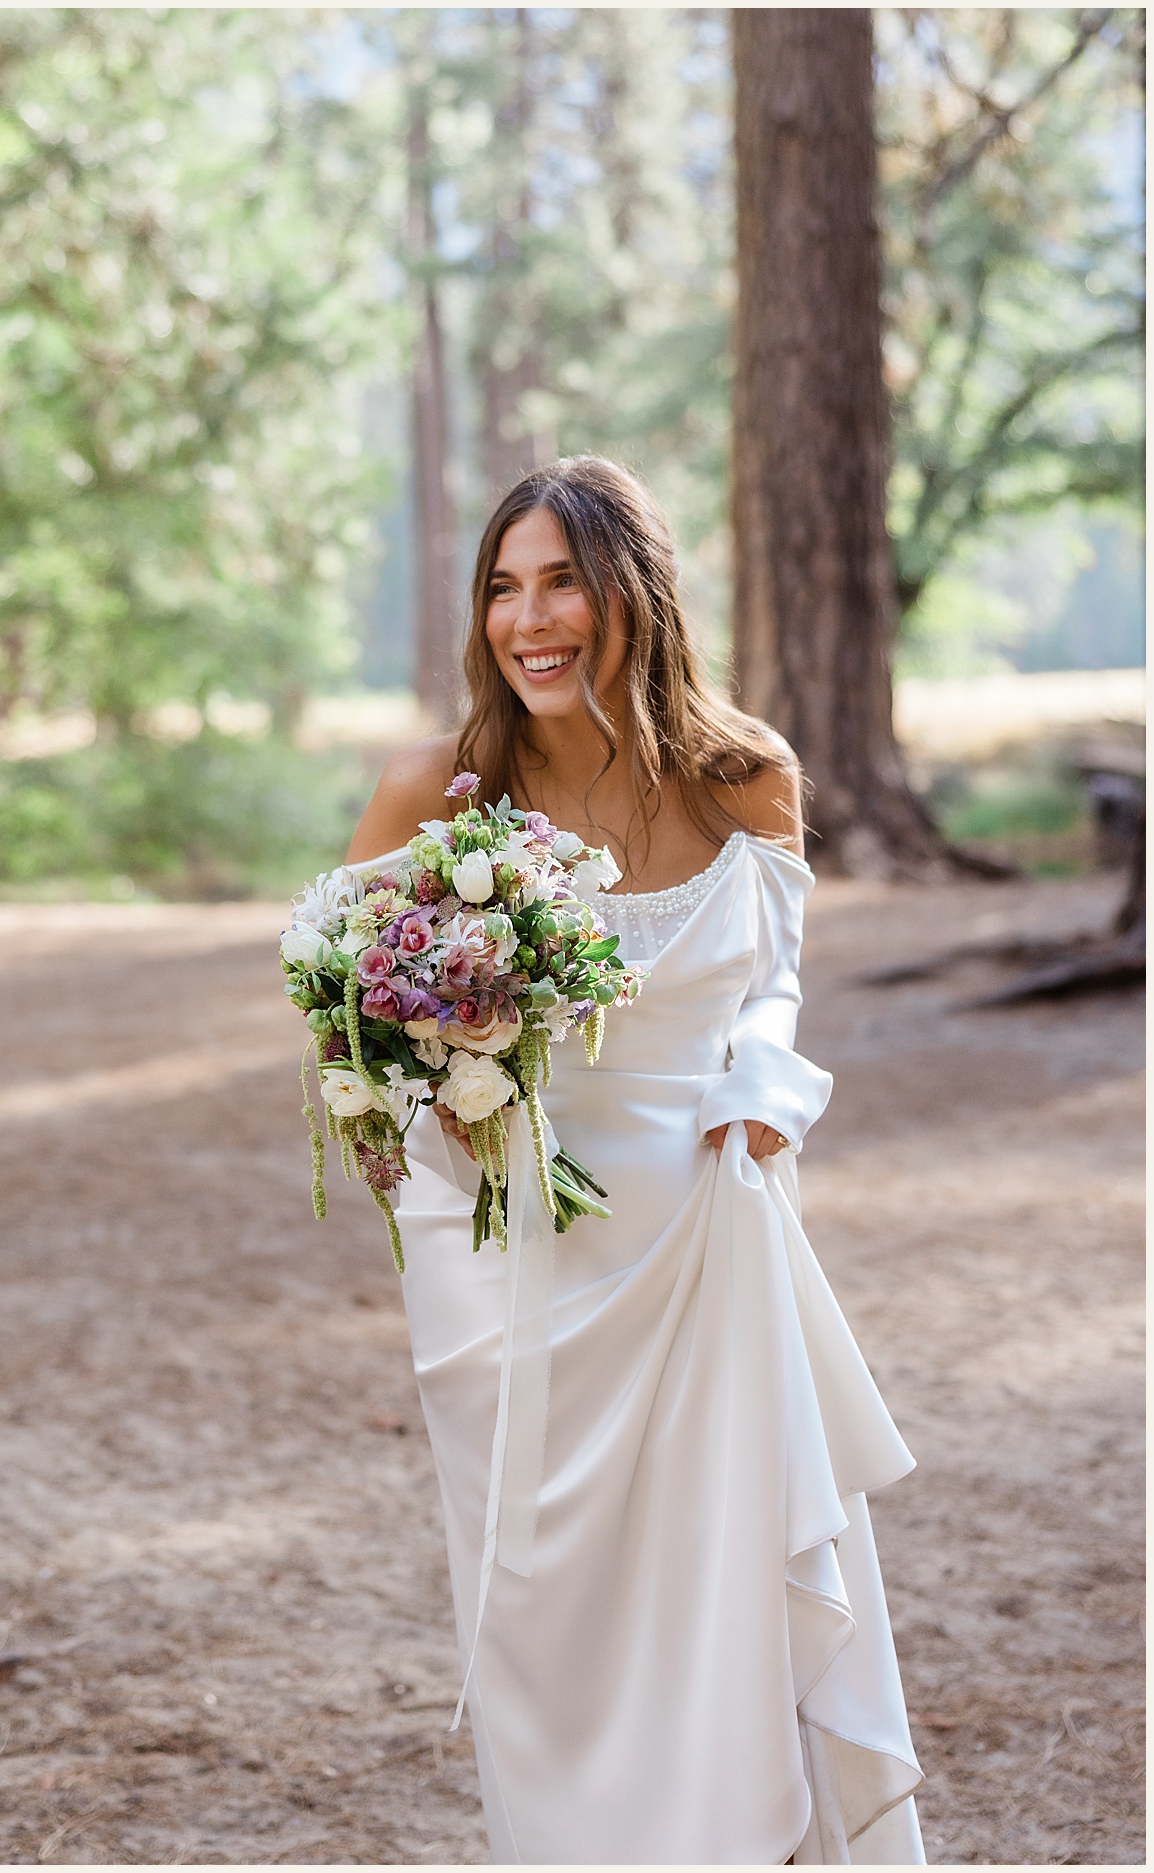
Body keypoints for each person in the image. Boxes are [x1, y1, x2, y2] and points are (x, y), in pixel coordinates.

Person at [343, 457, 923, 1863]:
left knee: (724, 1595)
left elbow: (772, 985)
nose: (529, 619)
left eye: (561, 582)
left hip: (704, 1229)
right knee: (550, 1622)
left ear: (632, 594)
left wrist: (769, 1092)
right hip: (505, 1258)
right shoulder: (440, 787)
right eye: (502, 585)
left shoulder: (747, 774)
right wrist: (429, 1096)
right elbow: (346, 1016)